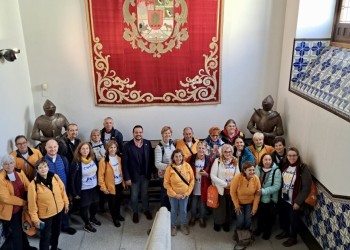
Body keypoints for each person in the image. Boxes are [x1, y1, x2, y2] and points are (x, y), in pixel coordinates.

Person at [28, 158, 69, 250]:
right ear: (37, 170)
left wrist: (66, 203)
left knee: (56, 232)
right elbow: (32, 205)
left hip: (58, 211)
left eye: (45, 166)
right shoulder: (33, 185)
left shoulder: (55, 177)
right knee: (45, 237)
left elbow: (63, 191)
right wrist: (35, 220)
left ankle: (54, 247)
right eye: (40, 167)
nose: (44, 169)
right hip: (45, 216)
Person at [275, 147, 312, 247]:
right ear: (287, 156)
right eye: (289, 155)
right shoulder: (285, 165)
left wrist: (298, 202)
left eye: (294, 155)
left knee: (294, 220)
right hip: (284, 197)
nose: (291, 157)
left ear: (298, 156)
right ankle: (285, 232)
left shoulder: (302, 168)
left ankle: (293, 238)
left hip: (294, 200)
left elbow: (306, 188)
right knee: (284, 217)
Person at [0, 155, 37, 250]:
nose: (9, 165)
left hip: (22, 208)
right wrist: (24, 202)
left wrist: (33, 196)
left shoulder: (19, 172)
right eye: (6, 164)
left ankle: (26, 247)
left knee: (23, 229)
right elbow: (6, 198)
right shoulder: (1, 178)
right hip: (11, 211)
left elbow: (28, 186)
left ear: (14, 163)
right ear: (2, 165)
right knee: (17, 233)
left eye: (11, 163)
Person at [44, 139, 76, 235]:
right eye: (50, 147)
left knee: (65, 209)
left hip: (63, 191)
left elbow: (68, 174)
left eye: (55, 147)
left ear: (58, 147)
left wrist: (70, 191)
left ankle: (65, 226)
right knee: (52, 214)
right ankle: (53, 232)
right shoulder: (41, 162)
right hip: (50, 194)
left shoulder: (64, 159)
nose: (52, 149)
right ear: (45, 148)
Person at [122, 125, 153, 223]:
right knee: (134, 195)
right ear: (133, 133)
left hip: (145, 175)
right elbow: (124, 164)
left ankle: (146, 210)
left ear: (142, 133)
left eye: (140, 132)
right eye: (136, 132)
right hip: (133, 176)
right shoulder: (127, 146)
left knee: (144, 194)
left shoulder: (147, 143)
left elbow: (151, 159)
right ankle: (135, 212)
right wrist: (127, 178)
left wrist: (152, 172)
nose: (138, 134)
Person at [71, 142, 101, 233]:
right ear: (79, 150)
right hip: (84, 189)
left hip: (94, 187)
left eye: (87, 148)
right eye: (83, 149)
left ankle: (92, 218)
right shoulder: (76, 163)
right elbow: (72, 179)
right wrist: (74, 193)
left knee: (95, 204)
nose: (85, 150)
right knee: (85, 207)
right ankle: (87, 224)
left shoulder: (92, 158)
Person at [164, 149, 194, 236]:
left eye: (180, 156)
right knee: (173, 210)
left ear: (182, 157)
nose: (178, 158)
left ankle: (183, 225)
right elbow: (166, 183)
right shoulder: (169, 168)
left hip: (185, 195)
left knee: (183, 210)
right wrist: (174, 194)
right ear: (173, 157)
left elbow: (192, 181)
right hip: (173, 195)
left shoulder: (187, 166)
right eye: (176, 156)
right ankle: (173, 226)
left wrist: (187, 193)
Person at [210, 144, 240, 232]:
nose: (228, 153)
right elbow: (213, 176)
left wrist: (232, 184)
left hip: (231, 189)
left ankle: (227, 223)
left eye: (230, 151)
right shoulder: (217, 161)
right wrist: (225, 184)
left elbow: (238, 175)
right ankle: (217, 223)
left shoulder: (235, 160)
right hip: (220, 189)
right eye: (225, 151)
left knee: (229, 208)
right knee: (219, 208)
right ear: (222, 152)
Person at [98, 140, 125, 227]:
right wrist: (103, 188)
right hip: (110, 186)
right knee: (112, 203)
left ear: (117, 148)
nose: (113, 149)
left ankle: (118, 214)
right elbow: (100, 176)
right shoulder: (104, 160)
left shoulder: (119, 158)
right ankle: (115, 218)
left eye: (114, 147)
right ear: (107, 149)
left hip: (119, 184)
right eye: (111, 147)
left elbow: (122, 171)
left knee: (118, 201)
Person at [254, 153, 281, 240]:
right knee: (260, 215)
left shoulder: (276, 171)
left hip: (271, 198)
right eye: (265, 159)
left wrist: (263, 191)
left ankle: (267, 231)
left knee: (270, 217)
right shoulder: (258, 168)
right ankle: (259, 229)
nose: (267, 161)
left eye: (269, 159)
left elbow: (277, 186)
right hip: (259, 198)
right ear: (262, 160)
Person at [230, 162, 261, 232]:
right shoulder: (237, 178)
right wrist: (236, 205)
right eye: (250, 170)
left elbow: (257, 194)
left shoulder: (256, 178)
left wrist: (254, 208)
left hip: (249, 202)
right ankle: (238, 232)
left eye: (253, 170)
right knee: (240, 220)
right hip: (239, 202)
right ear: (244, 170)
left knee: (248, 220)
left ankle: (247, 233)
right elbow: (232, 192)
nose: (252, 172)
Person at [187, 141, 212, 228]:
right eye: (199, 148)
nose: (201, 150)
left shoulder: (209, 159)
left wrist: (207, 175)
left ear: (206, 149)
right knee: (193, 204)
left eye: (203, 148)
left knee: (202, 205)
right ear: (196, 149)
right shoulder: (190, 158)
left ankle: (202, 218)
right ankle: (193, 217)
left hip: (204, 186)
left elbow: (213, 175)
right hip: (194, 185)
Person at [154, 126, 176, 211]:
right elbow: (157, 164)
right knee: (164, 192)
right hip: (164, 174)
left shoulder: (172, 144)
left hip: (172, 173)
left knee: (171, 191)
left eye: (169, 133)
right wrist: (168, 166)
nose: (167, 134)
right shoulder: (159, 147)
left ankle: (171, 209)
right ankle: (164, 210)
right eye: (165, 133)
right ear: (162, 134)